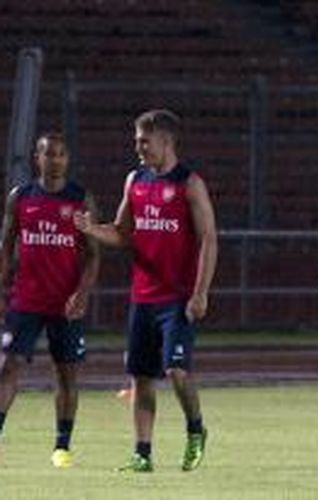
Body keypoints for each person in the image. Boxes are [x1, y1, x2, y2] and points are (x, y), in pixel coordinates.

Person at [75, 109, 218, 472]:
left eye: (144, 140)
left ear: (166, 141)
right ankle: (142, 453)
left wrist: (201, 291)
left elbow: (208, 240)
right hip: (143, 297)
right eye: (136, 139)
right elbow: (122, 233)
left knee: (176, 371)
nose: (137, 146)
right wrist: (92, 230)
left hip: (178, 297)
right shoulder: (134, 180)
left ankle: (196, 429)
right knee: (140, 377)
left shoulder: (189, 183)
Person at [0, 132, 100, 468]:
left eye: (60, 154)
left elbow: (93, 255)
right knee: (7, 366)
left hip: (64, 304)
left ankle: (62, 445)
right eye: (48, 154)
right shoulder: (21, 197)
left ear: (67, 159)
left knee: (66, 374)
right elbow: (6, 247)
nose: (55, 160)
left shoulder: (79, 199)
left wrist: (82, 293)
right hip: (25, 300)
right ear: (36, 158)